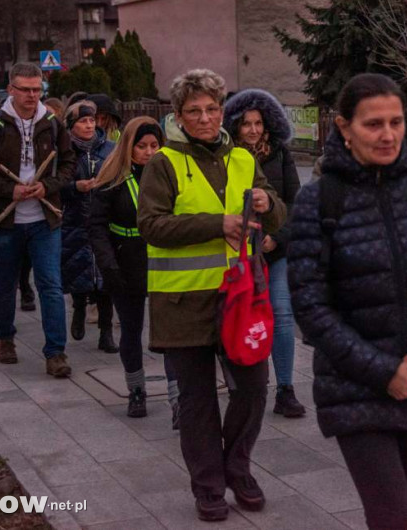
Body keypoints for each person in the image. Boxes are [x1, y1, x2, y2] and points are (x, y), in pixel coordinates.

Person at [287, 73, 407, 530]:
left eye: (396, 121)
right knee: (393, 516)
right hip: (356, 389)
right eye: (374, 124)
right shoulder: (319, 202)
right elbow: (311, 307)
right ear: (343, 127)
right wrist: (383, 371)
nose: (388, 134)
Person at [138, 68, 286, 522]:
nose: (204, 118)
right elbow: (152, 225)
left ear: (222, 110)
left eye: (212, 109)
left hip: (240, 299)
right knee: (198, 402)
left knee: (254, 390)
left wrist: (267, 205)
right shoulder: (164, 162)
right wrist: (214, 224)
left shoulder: (242, 158)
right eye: (194, 111)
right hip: (183, 304)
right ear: (179, 116)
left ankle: (237, 469)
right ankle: (208, 487)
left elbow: (277, 212)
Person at [0, 62, 76, 376]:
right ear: (11, 89)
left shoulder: (53, 123)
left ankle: (56, 353)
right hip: (6, 221)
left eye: (36, 89)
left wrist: (48, 186)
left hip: (45, 219)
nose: (31, 95)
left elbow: (68, 164)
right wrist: (7, 190)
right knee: (4, 283)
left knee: (51, 286)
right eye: (25, 89)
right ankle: (5, 337)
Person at [90, 116, 180, 421]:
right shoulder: (112, 179)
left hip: (163, 263)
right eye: (142, 146)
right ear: (129, 146)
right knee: (130, 329)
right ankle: (137, 390)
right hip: (125, 263)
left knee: (169, 334)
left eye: (155, 145)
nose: (149, 151)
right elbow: (97, 226)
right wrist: (108, 266)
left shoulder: (170, 175)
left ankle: (177, 397)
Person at [223, 88, 305, 418]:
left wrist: (277, 237)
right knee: (242, 314)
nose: (254, 130)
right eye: (246, 124)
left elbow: (295, 203)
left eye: (258, 123)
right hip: (238, 252)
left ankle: (285, 388)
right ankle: (249, 386)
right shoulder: (225, 156)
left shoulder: (280, 155)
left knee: (282, 314)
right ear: (235, 126)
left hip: (276, 250)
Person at [60, 100, 117, 352]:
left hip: (104, 221)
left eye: (92, 120)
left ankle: (107, 333)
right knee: (78, 272)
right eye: (83, 121)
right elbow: (55, 185)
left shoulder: (110, 149)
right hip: (74, 221)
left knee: (106, 279)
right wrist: (75, 187)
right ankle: (79, 308)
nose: (88, 125)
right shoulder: (64, 152)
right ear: (72, 126)